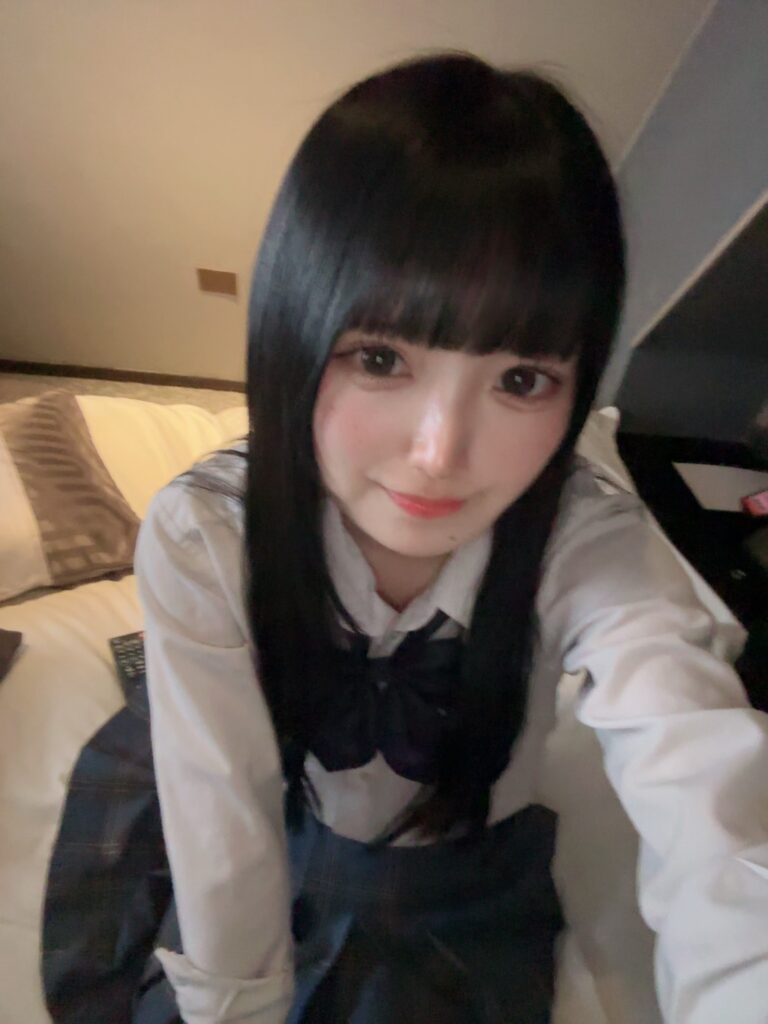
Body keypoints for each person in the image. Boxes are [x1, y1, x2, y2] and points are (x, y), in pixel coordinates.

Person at [131, 53, 768, 1024]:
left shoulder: (582, 538)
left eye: (520, 380)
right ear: (294, 327)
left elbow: (710, 783)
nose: (439, 454)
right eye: (381, 358)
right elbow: (224, 827)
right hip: (284, 849)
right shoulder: (207, 534)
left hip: (475, 881)